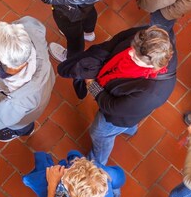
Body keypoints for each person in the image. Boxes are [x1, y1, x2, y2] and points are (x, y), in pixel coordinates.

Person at [57, 26, 175, 165]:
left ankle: (96, 162)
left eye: (136, 57)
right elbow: (115, 42)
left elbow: (111, 106)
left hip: (117, 115)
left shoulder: (152, 92)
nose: (130, 53)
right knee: (129, 119)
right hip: (129, 108)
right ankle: (130, 129)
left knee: (100, 133)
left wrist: (91, 84)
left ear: (152, 65)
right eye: (133, 48)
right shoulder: (148, 40)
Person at [0, 17, 55, 141]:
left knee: (20, 123)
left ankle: (23, 130)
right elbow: (34, 23)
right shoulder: (28, 30)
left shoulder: (14, 101)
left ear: (5, 60)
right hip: (41, 87)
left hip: (22, 113)